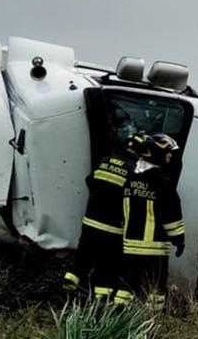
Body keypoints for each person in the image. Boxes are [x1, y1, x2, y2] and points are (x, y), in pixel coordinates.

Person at [64, 134, 145, 301]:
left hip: (90, 223)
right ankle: (101, 299)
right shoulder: (133, 172)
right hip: (112, 229)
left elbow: (90, 182)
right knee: (106, 266)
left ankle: (69, 286)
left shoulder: (103, 162)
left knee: (83, 257)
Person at [117, 133, 185, 310]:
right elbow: (172, 216)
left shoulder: (130, 179)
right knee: (155, 288)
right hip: (155, 249)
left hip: (129, 246)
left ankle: (118, 316)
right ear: (156, 153)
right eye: (168, 153)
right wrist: (179, 240)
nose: (170, 156)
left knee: (127, 285)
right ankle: (152, 321)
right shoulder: (163, 182)